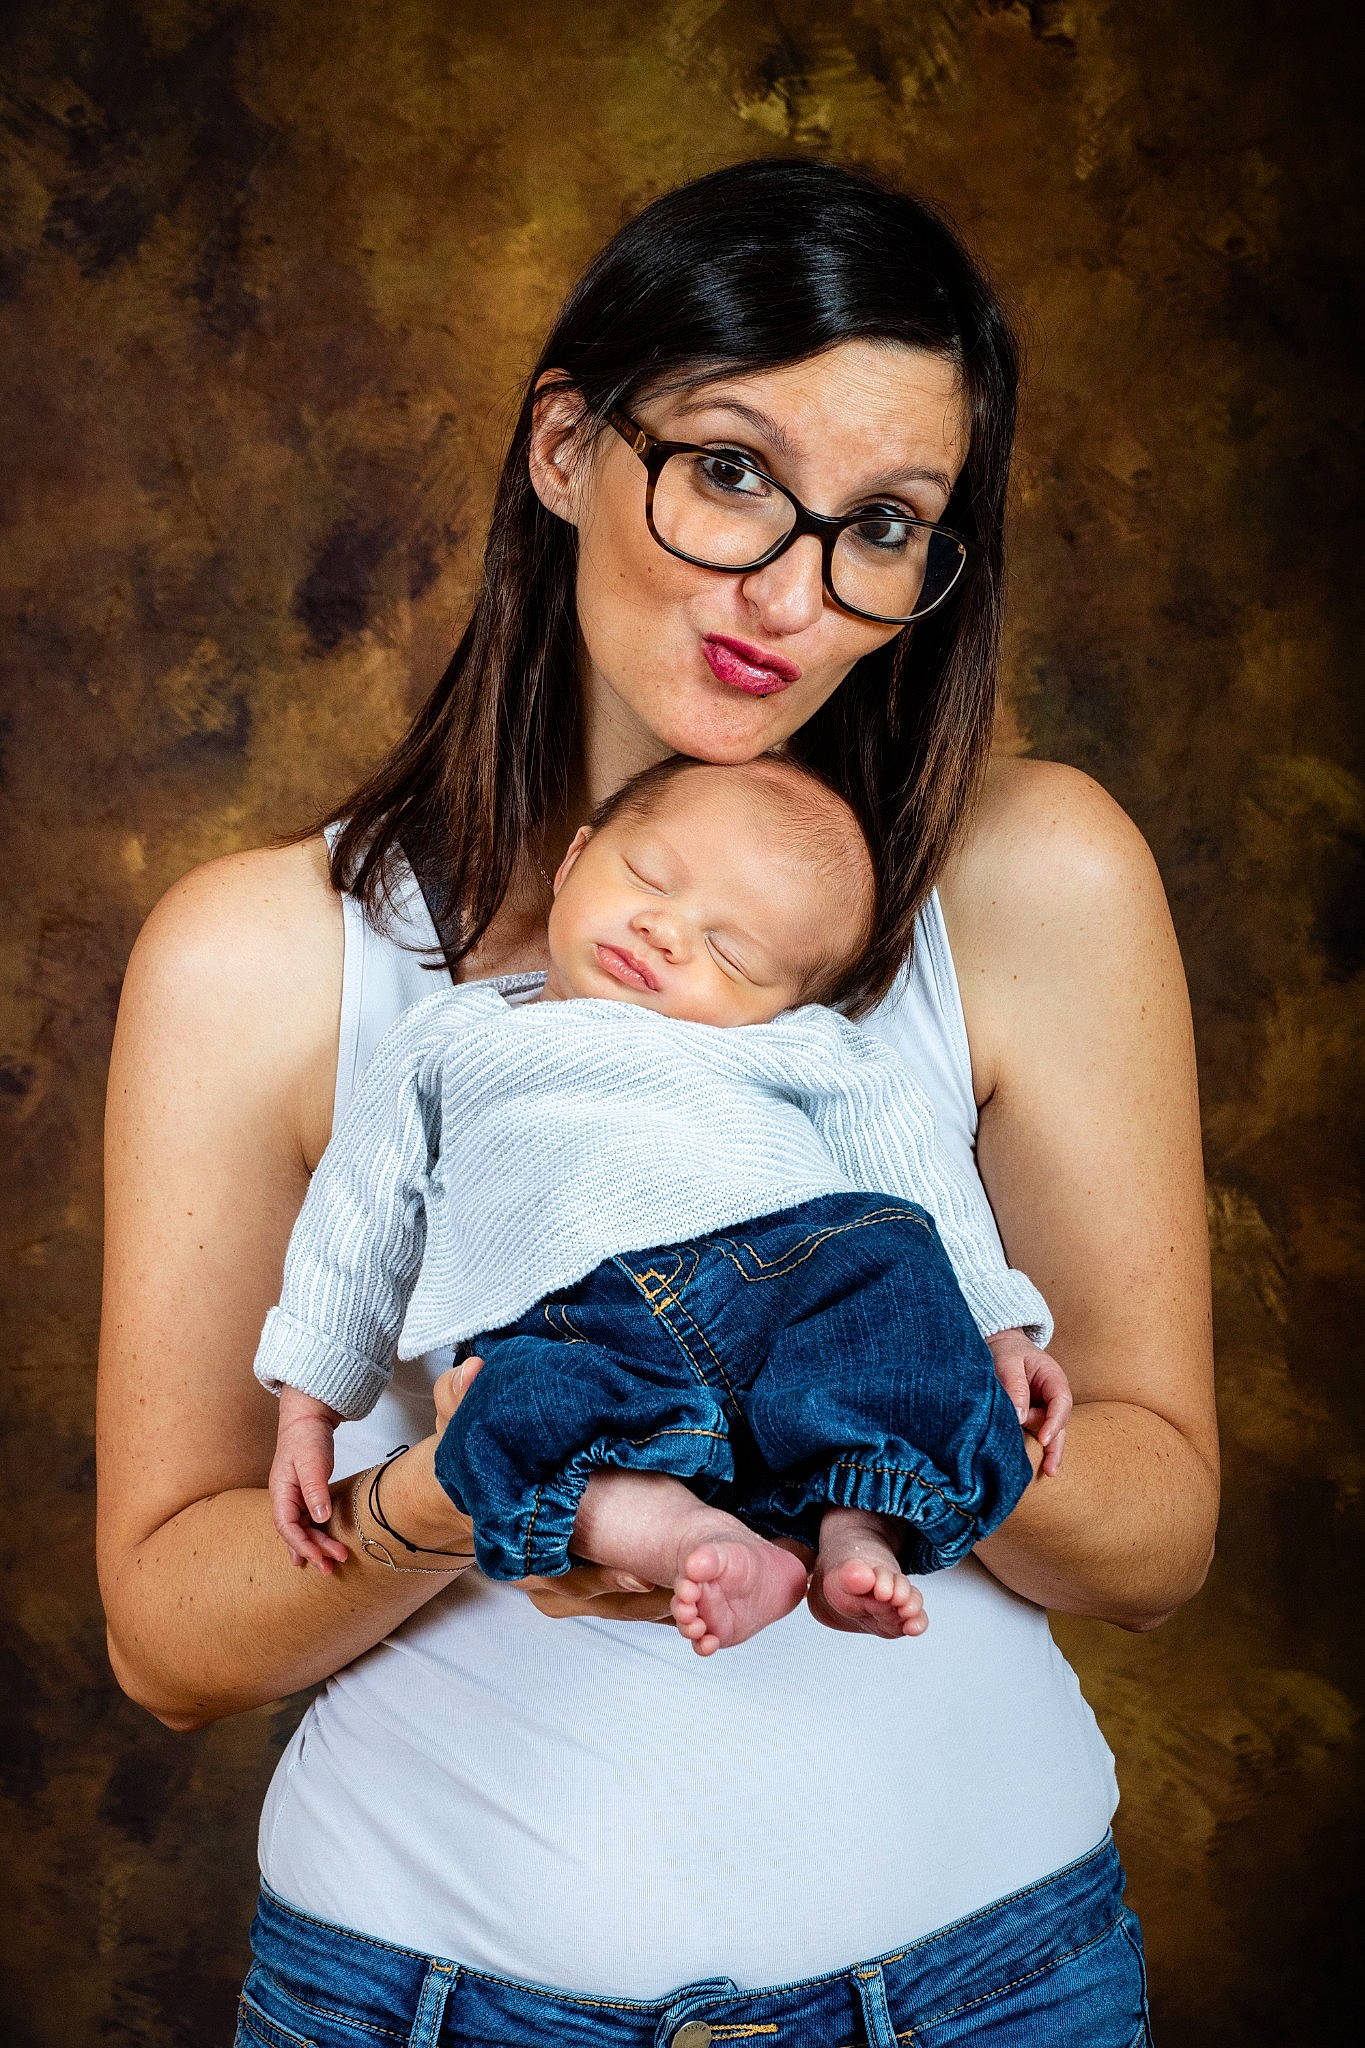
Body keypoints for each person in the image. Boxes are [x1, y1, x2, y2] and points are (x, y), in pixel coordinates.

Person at [97, 158, 1216, 2044]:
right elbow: (168, 1639)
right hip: (419, 1995)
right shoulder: (259, 959)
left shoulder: (1037, 876)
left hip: (986, 1990)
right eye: (726, 471)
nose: (791, 589)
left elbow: (1160, 1536)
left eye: (881, 522)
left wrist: (902, 1402)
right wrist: (472, 1489)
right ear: (564, 448)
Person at [258, 753, 1072, 1656]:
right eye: (646, 877)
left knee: (896, 1280)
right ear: (571, 861)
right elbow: (358, 1212)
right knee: (504, 1416)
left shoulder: (805, 1050)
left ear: (784, 1007)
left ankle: (857, 1525)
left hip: (791, 1263)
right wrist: (311, 1402)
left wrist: (997, 1325)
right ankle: (695, 1541)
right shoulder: (451, 1038)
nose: (664, 930)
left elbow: (918, 1176)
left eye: (732, 951)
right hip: (576, 1305)